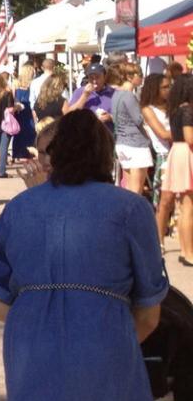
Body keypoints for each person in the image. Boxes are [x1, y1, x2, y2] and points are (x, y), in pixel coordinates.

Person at [0, 108, 167, 401]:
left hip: (34, 359)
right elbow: (150, 313)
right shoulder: (131, 210)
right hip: (106, 353)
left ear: (55, 155)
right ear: (104, 154)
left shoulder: (20, 209)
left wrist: (36, 319)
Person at [161, 76, 193, 269]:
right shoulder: (187, 110)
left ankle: (185, 250)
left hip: (179, 152)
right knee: (188, 206)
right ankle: (188, 252)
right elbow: (190, 137)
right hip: (186, 153)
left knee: (184, 206)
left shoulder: (176, 110)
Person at [111, 63, 152, 196]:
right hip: (135, 144)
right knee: (136, 189)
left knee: (129, 187)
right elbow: (139, 119)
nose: (142, 78)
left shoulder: (117, 94)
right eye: (139, 74)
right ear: (129, 77)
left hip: (122, 142)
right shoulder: (129, 96)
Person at [66, 62, 115, 130]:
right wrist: (85, 95)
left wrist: (110, 117)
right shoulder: (80, 92)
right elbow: (70, 114)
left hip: (107, 134)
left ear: (104, 77)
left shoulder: (113, 93)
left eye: (97, 77)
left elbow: (123, 116)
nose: (94, 81)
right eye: (91, 78)